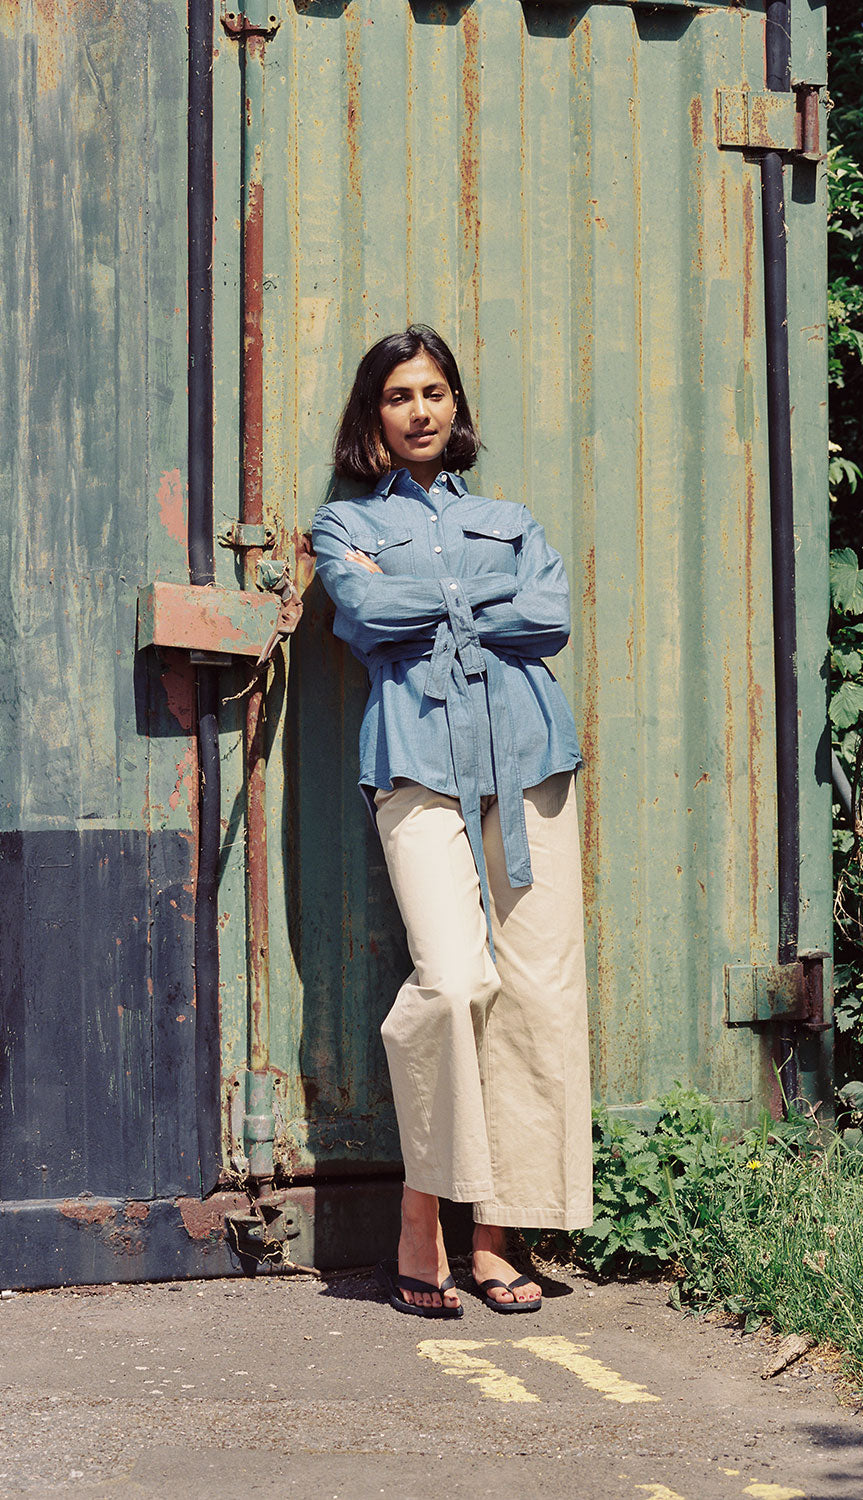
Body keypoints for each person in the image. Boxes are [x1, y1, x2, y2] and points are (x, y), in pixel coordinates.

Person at [311, 326, 593, 1319]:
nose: (419, 410)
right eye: (398, 396)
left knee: (536, 996)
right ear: (373, 416)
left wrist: (426, 600)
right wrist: (478, 597)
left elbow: (548, 617)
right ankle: (419, 1213)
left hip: (527, 762)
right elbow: (361, 614)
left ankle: (496, 1233)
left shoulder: (513, 516)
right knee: (454, 981)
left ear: (455, 408)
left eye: (434, 392)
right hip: (417, 760)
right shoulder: (340, 525)